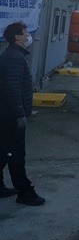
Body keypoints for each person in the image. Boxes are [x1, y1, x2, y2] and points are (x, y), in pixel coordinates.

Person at [0, 21, 45, 206]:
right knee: (16, 154)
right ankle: (25, 192)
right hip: (11, 115)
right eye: (26, 32)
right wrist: (20, 114)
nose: (29, 35)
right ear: (18, 37)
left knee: (4, 151)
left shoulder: (15, 55)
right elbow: (12, 89)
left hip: (8, 114)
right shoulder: (13, 58)